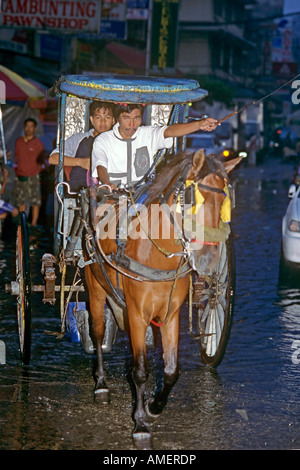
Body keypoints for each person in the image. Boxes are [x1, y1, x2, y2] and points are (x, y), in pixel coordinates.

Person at [91, 103, 219, 189]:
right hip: (113, 195)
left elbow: (169, 131)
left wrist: (199, 125)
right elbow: (101, 165)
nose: (131, 124)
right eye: (126, 118)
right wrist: (107, 184)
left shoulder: (147, 133)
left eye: (136, 118)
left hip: (145, 193)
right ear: (117, 119)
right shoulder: (103, 140)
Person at [49, 101, 115, 191]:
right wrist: (81, 162)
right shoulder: (80, 139)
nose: (103, 122)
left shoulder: (117, 141)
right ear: (92, 120)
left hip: (109, 193)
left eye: (107, 117)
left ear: (113, 120)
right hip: (80, 194)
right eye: (98, 117)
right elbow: (53, 158)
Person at [14, 118, 44, 226]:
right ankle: (22, 224)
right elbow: (17, 157)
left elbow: (41, 161)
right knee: (21, 201)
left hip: (33, 176)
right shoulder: (19, 141)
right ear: (24, 127)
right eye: (27, 126)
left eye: (31, 126)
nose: (29, 129)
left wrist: (36, 171)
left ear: (35, 128)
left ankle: (34, 223)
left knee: (35, 201)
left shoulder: (38, 143)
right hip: (21, 175)